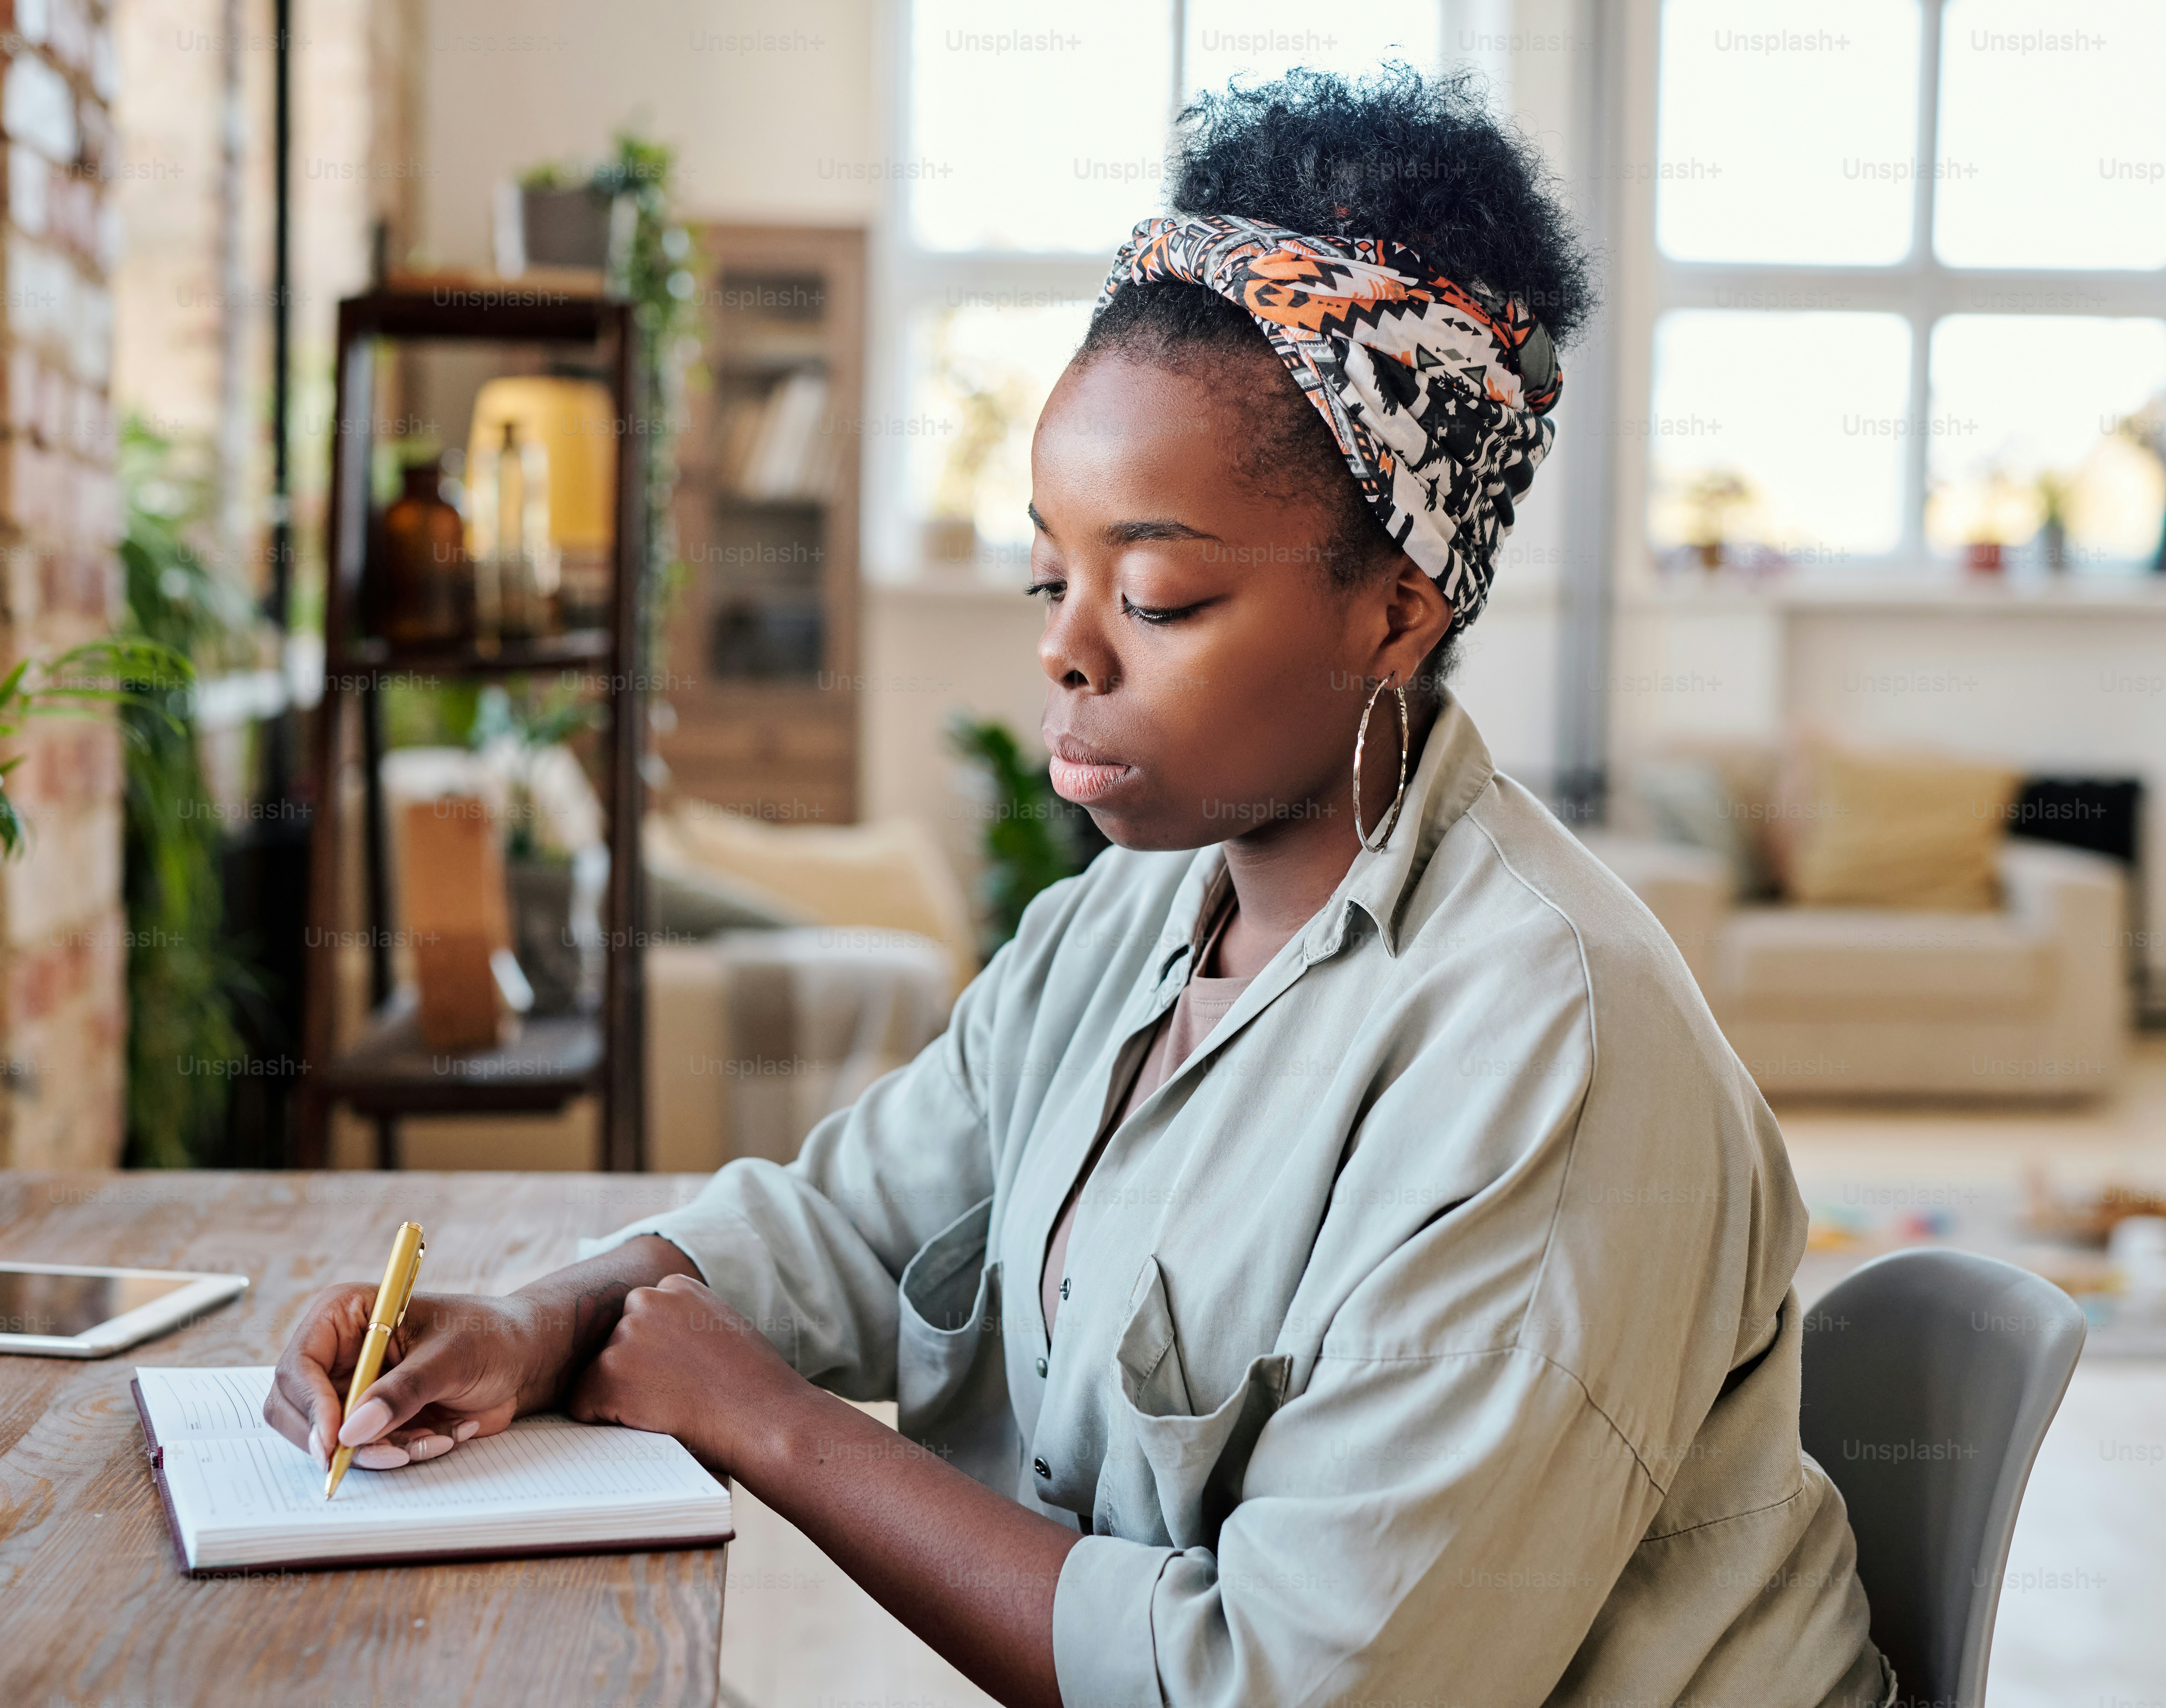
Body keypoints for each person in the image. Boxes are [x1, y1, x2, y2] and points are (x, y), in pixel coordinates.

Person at [267, 67, 1893, 1708]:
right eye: (1052, 571)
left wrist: (768, 1421)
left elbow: (1278, 1687)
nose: (1064, 646)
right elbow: (848, 1222)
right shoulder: (1123, 924)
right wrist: (537, 1321)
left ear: (1397, 612)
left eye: (1162, 594)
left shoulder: (1551, 1058)